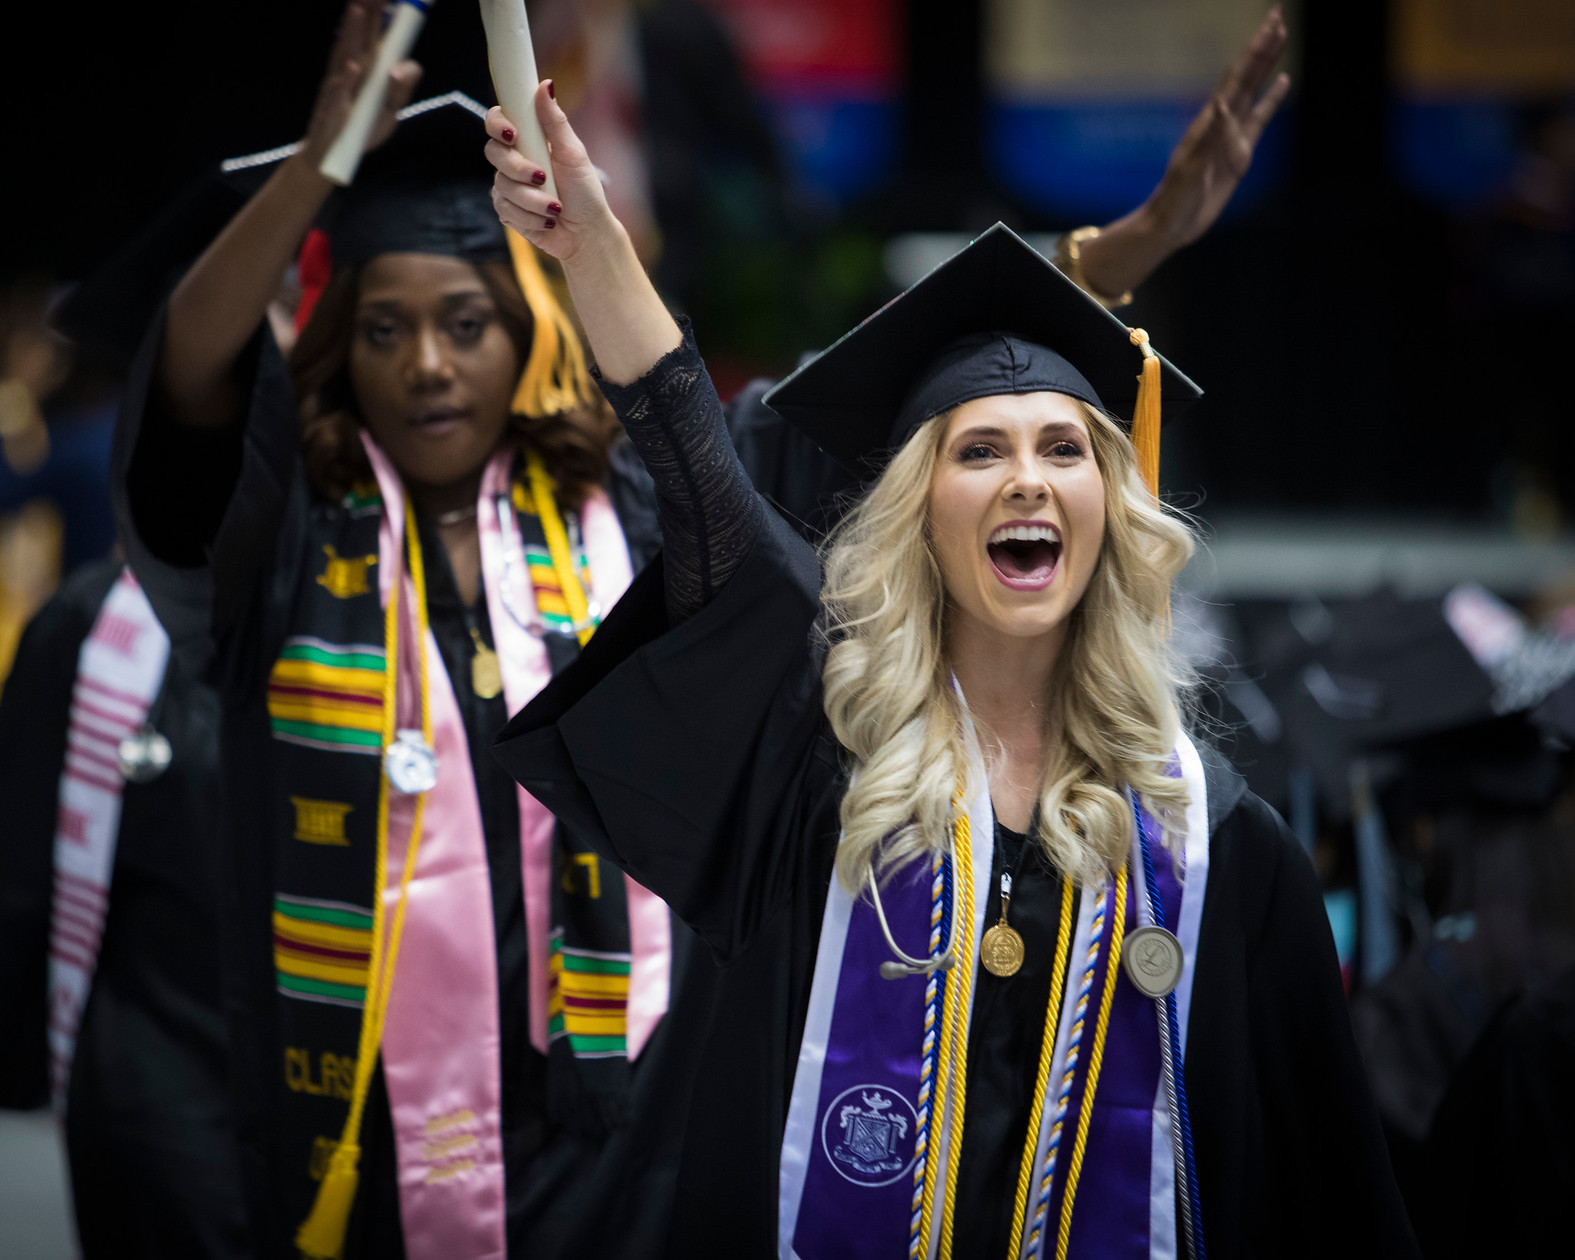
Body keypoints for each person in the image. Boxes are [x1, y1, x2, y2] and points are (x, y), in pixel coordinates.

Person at [486, 81, 1418, 1259]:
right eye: (980, 449)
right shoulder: (813, 774)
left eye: (1065, 449)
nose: (1028, 477)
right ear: (918, 514)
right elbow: (702, 476)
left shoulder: (1223, 852)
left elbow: (1328, 1200)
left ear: (1111, 512)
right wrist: (596, 243)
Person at [111, 9, 676, 1256]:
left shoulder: (615, 521)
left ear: (520, 336)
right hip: (355, 1138)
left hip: (613, 1128)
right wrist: (321, 164)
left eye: (465, 323)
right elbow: (190, 389)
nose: (427, 364)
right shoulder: (281, 548)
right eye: (384, 328)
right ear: (338, 350)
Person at [0, 558, 250, 1258]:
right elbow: (22, 856)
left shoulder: (378, 611)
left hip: (360, 1090)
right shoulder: (92, 620)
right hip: (158, 1079)